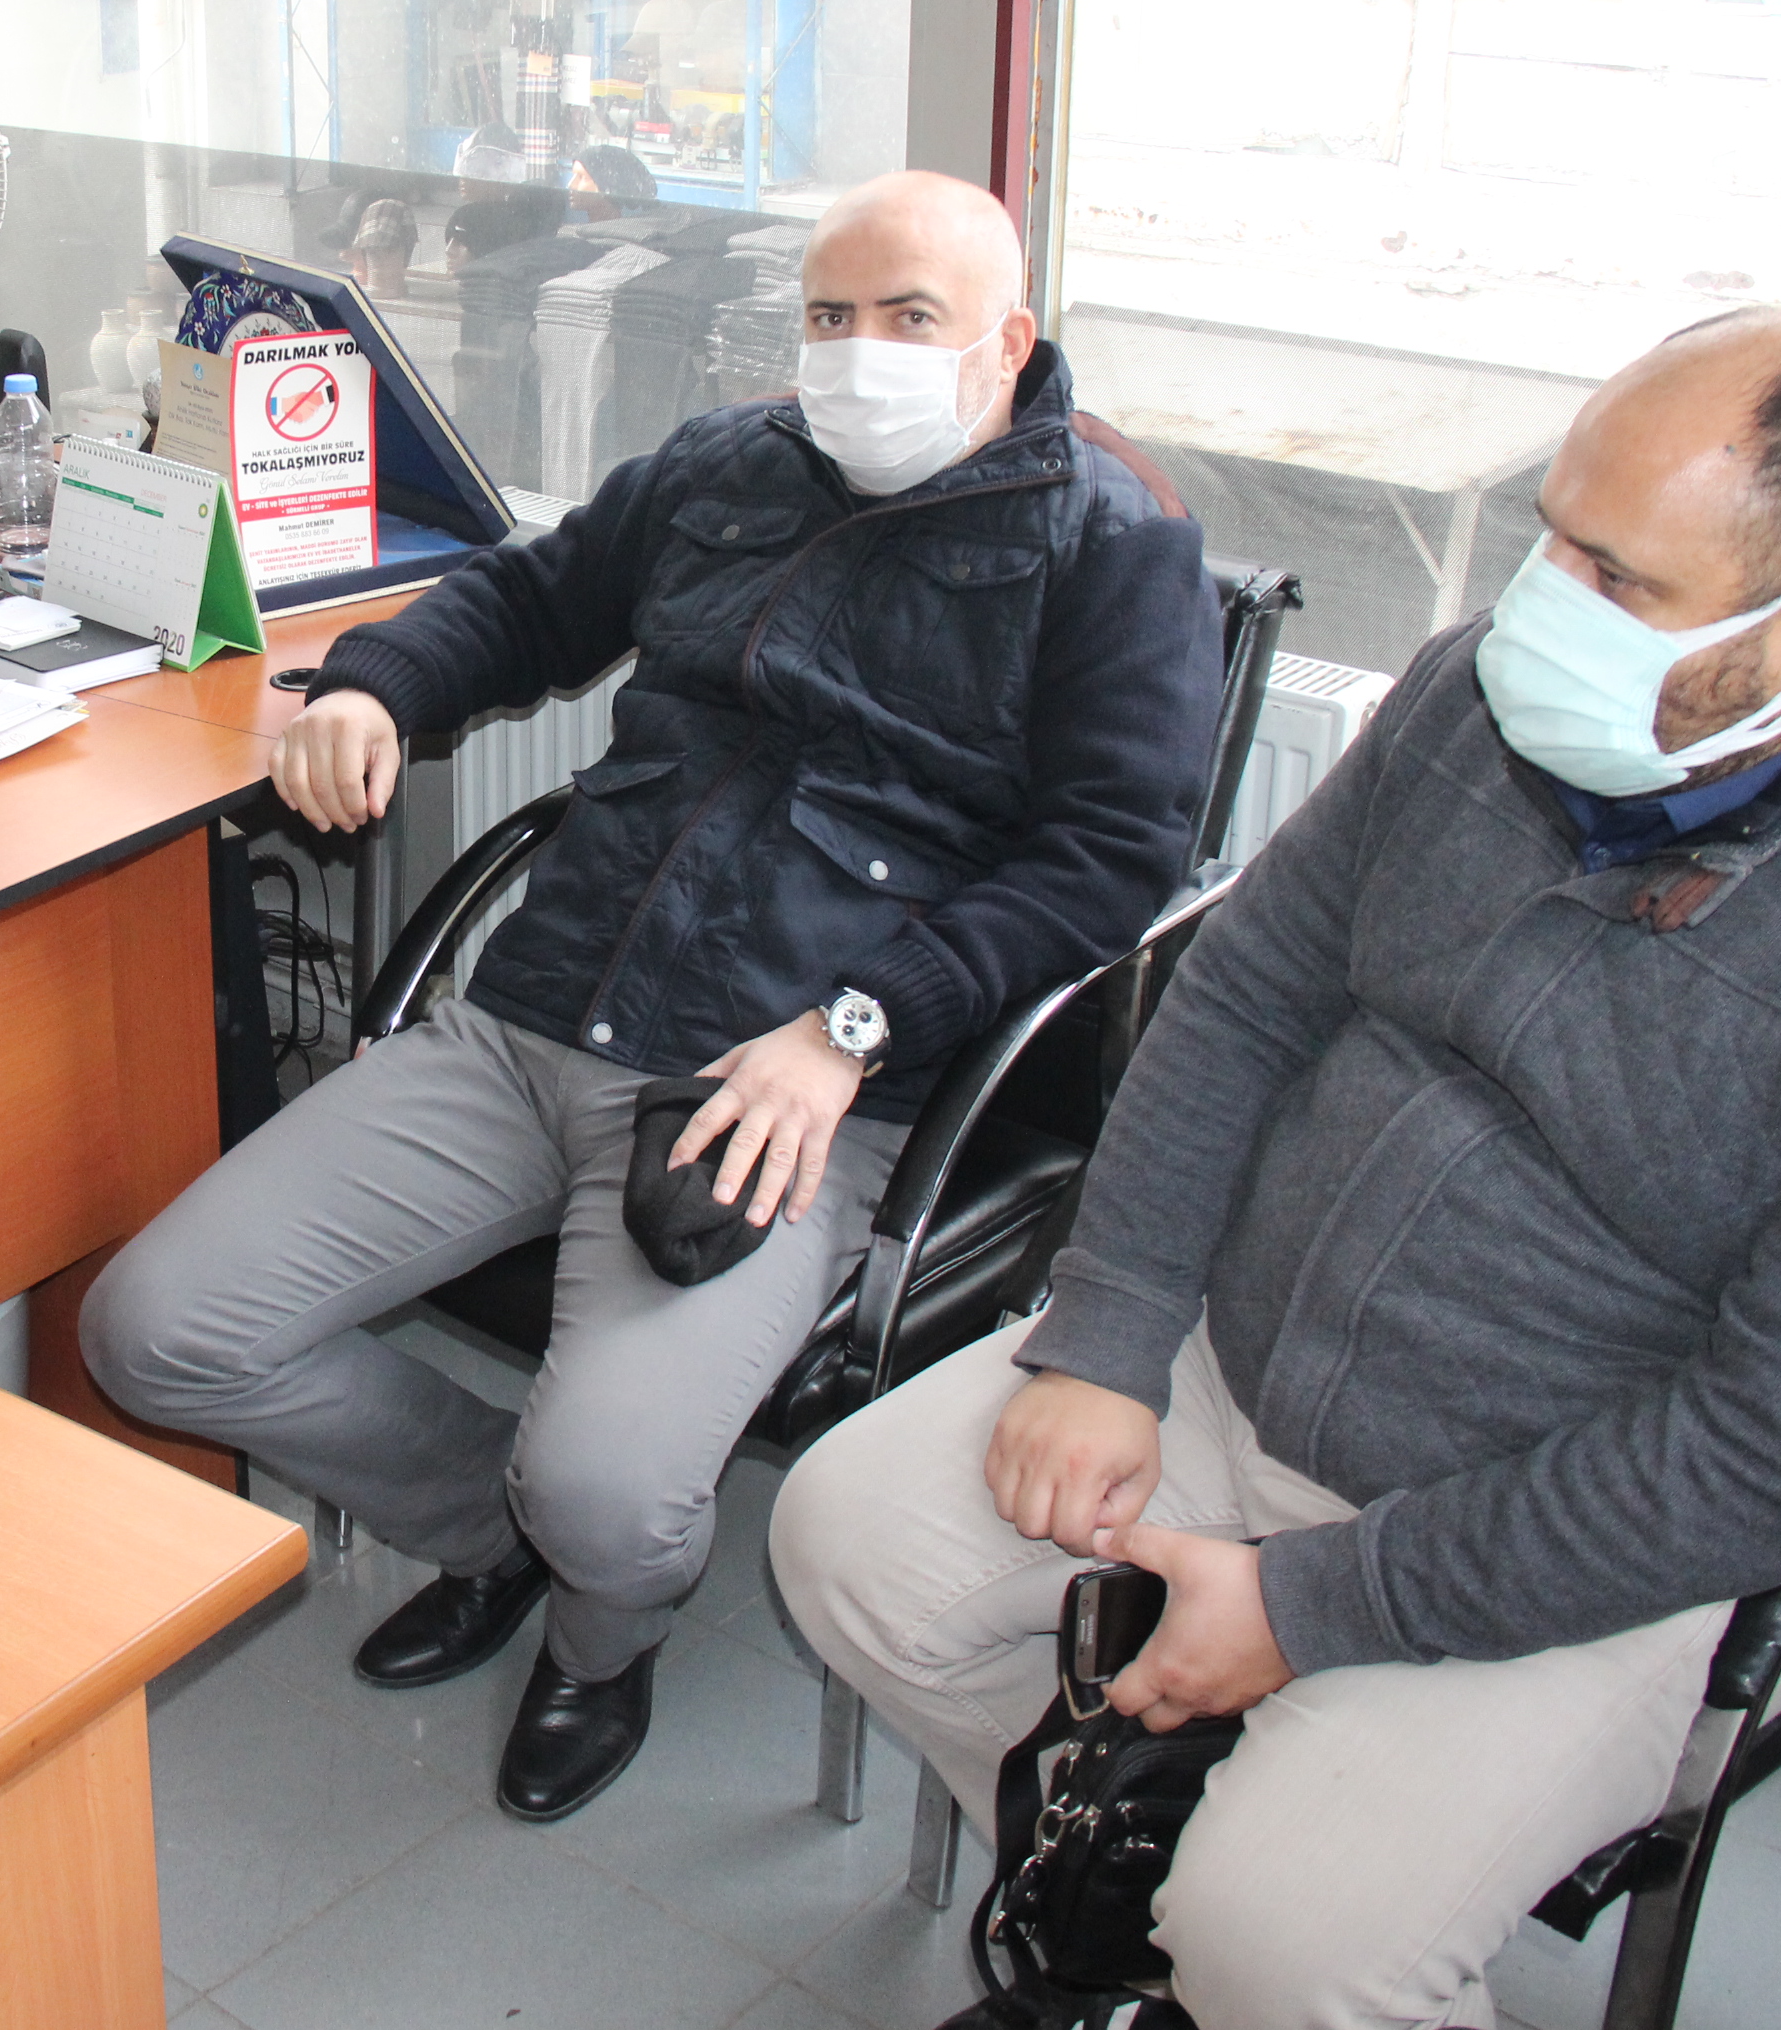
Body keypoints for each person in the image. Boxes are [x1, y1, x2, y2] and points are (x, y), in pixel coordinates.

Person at [769, 308, 1781, 2030]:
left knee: (1293, 1938)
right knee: (845, 1545)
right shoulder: (1480, 703)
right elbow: (1242, 999)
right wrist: (1109, 1328)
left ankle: (1223, 1945)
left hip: (1601, 1537)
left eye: (1612, 572)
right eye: (1549, 532)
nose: (1535, 604)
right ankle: (1127, 1920)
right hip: (1232, 1363)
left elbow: (1772, 1455)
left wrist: (1320, 1603)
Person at [85, 170, 1227, 1821]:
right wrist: (372, 683)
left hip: (776, 1089)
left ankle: (599, 1636)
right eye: (830, 316)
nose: (858, 352)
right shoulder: (728, 465)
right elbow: (529, 598)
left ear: (1008, 339)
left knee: (614, 1495)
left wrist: (858, 1024)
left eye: (910, 319)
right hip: (541, 1004)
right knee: (158, 1323)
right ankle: (493, 1527)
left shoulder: (1112, 538)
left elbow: (1108, 861)